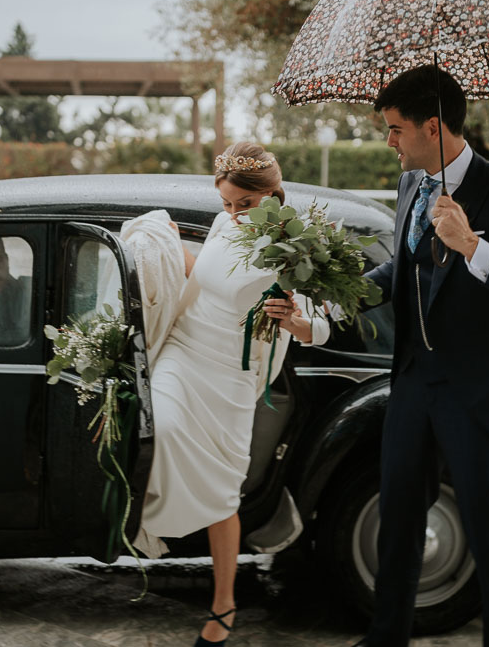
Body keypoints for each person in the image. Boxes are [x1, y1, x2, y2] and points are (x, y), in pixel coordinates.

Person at [352, 66, 489, 647]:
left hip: (478, 396)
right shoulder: (409, 185)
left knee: (488, 534)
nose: (389, 141)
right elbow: (404, 270)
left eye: (396, 130)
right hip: (414, 386)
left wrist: (473, 246)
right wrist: (335, 302)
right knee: (397, 525)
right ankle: (385, 639)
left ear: (433, 126)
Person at [135, 142, 330, 647]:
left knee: (224, 493)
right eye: (225, 203)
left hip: (232, 376)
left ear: (272, 193)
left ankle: (224, 606)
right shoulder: (224, 225)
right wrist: (172, 249)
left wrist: (297, 320)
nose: (233, 214)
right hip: (186, 347)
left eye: (244, 204)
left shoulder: (295, 244)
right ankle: (152, 524)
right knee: (164, 428)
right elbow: (206, 274)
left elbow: (324, 324)